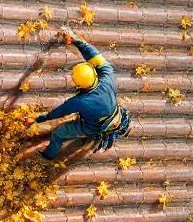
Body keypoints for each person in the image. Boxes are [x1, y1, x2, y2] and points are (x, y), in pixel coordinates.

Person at [33, 27, 132, 160]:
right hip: (113, 112)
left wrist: (39, 119)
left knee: (59, 133)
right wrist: (76, 41)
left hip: (94, 126)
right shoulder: (107, 75)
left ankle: (48, 155)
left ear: (79, 86)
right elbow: (94, 55)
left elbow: (57, 113)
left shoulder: (79, 102)